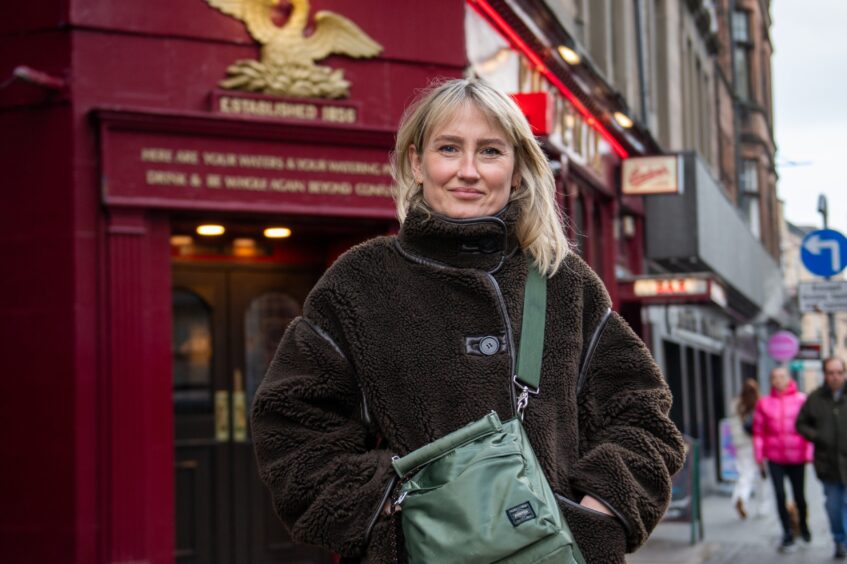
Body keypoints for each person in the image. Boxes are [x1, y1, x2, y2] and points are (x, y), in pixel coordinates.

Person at [250, 77, 685, 563]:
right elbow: (290, 424)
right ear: (417, 162)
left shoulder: (565, 283)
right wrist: (386, 508)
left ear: (518, 169)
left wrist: (599, 510)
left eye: (491, 152)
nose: (469, 171)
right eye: (449, 148)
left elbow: (644, 415)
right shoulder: (359, 283)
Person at [753, 366, 813, 553]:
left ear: (788, 378)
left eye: (781, 376)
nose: (778, 380)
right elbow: (758, 432)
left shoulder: (801, 400)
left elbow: (810, 427)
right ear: (771, 381)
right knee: (779, 495)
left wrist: (809, 453)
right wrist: (759, 456)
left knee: (799, 496)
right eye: (774, 377)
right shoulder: (764, 403)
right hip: (775, 457)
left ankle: (802, 524)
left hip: (797, 457)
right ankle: (787, 532)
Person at [796, 356, 847, 559]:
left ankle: (844, 541)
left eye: (839, 373)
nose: (835, 377)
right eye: (831, 373)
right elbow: (801, 424)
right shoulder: (815, 398)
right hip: (827, 464)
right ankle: (838, 538)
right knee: (834, 505)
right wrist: (817, 436)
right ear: (825, 375)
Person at [730, 378, 770, 519]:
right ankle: (763, 506)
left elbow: (733, 426)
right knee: (762, 476)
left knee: (745, 474)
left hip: (742, 445)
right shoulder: (761, 403)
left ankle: (740, 497)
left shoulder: (736, 404)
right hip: (758, 444)